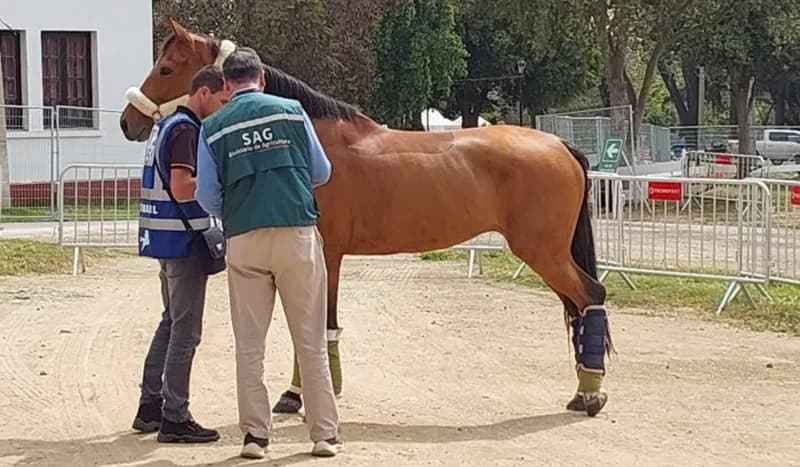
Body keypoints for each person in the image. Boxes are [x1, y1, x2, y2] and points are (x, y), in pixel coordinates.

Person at [194, 47, 341, 459]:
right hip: (296, 231)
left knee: (250, 343)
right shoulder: (292, 111)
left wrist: (240, 212)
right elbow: (321, 171)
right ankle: (324, 434)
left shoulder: (213, 127)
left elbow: (206, 193)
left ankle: (256, 437)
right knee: (309, 339)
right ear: (261, 79)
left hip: (245, 238)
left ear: (225, 84)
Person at [133, 65, 230, 444]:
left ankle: (150, 406)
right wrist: (222, 184)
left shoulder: (165, 126)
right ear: (203, 93)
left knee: (170, 321)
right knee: (186, 332)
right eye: (221, 100)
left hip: (164, 239)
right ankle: (175, 416)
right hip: (185, 242)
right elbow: (182, 183)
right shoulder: (188, 130)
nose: (223, 108)